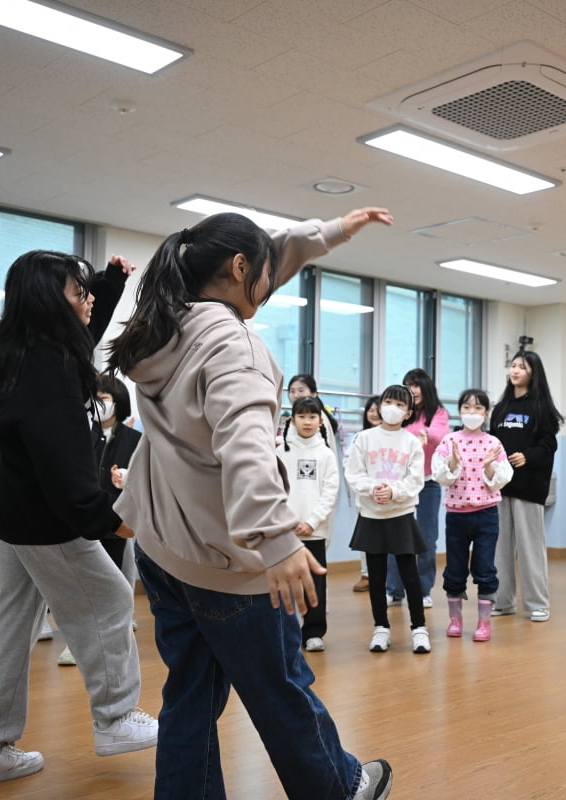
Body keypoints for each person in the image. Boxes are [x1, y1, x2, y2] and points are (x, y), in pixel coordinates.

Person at [109, 207, 394, 800]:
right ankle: (337, 790)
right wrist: (276, 540)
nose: (269, 282)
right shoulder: (232, 345)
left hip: (165, 551)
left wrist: (329, 233)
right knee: (280, 687)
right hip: (227, 562)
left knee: (188, 692)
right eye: (261, 271)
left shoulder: (163, 326)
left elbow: (259, 267)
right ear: (240, 269)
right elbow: (245, 444)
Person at [0, 251, 156, 793]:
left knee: (7, 630)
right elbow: (66, 469)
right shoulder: (48, 367)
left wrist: (110, 282)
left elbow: (83, 333)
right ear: (50, 302)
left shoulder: (25, 348)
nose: (88, 301)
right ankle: (115, 718)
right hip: (40, 519)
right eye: (79, 292)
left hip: (5, 513)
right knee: (111, 598)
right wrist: (111, 521)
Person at [58, 373, 142, 667]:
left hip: (117, 522)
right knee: (80, 586)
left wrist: (126, 480)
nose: (98, 403)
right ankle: (76, 645)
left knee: (113, 586)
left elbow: (145, 480)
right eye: (95, 398)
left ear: (118, 402)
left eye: (104, 398)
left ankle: (113, 646)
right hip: (82, 520)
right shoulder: (82, 433)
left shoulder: (136, 439)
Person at [345, 384, 428, 654]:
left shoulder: (411, 442)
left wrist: (394, 492)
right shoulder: (364, 438)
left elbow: (415, 480)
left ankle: (419, 628)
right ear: (380, 405)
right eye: (389, 401)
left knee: (410, 575)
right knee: (377, 576)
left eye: (400, 405)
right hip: (371, 513)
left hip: (400, 513)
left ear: (408, 413)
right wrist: (373, 489)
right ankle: (381, 627)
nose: (393, 408)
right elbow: (353, 472)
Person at [431, 388, 511, 642]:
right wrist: (454, 462)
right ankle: (455, 620)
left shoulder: (494, 443)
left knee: (485, 568)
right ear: (460, 411)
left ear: (486, 413)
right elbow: (440, 475)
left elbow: (501, 479)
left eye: (478, 408)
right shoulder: (449, 441)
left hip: (486, 514)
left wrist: (488, 464)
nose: (472, 413)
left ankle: (484, 624)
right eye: (467, 407)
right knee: (454, 569)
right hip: (456, 515)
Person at [490, 350, 564, 622]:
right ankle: (503, 601)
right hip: (500, 488)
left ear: (533, 372)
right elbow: (493, 443)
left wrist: (527, 456)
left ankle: (538, 603)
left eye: (522, 366)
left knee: (531, 548)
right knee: (500, 548)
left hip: (529, 488)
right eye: (513, 365)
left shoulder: (540, 408)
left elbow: (548, 446)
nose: (515, 370)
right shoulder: (501, 407)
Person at [278, 396, 340, 652]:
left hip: (314, 532)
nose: (307, 421)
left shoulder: (325, 454)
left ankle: (314, 632)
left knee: (315, 584)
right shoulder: (279, 450)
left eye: (312, 417)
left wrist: (312, 522)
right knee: (283, 583)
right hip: (285, 531)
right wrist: (285, 521)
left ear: (320, 421)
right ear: (292, 419)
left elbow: (330, 491)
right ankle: (283, 632)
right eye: (301, 416)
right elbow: (272, 487)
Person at [385, 368, 450, 609]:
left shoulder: (438, 413)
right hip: (399, 483)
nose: (412, 390)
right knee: (396, 536)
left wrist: (426, 433)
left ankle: (423, 591)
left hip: (427, 482)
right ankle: (394, 590)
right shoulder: (402, 411)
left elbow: (442, 435)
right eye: (408, 385)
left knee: (426, 538)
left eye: (416, 385)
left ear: (425, 387)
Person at [351, 395, 381, 593]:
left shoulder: (392, 437)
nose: (375, 413)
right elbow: (351, 466)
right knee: (365, 538)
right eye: (371, 409)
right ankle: (366, 574)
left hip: (388, 495)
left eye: (378, 409)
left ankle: (385, 576)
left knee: (387, 539)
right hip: (365, 495)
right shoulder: (359, 437)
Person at [283, 373, 341, 451]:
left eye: (301, 390)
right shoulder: (295, 416)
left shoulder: (317, 417)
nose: (296, 395)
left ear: (314, 394)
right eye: (292, 391)